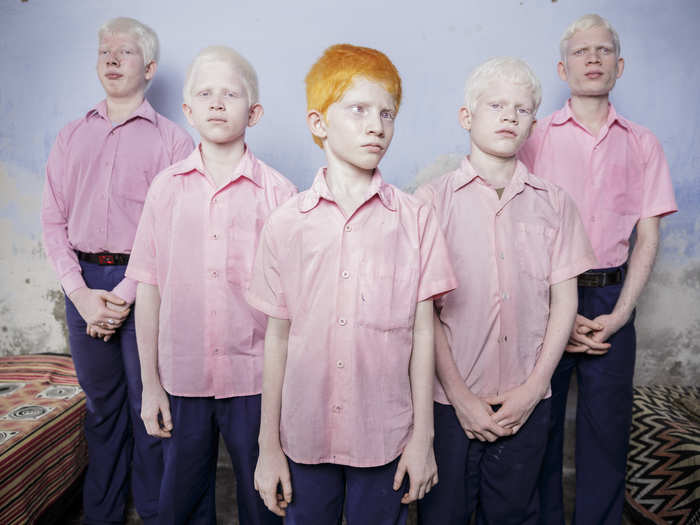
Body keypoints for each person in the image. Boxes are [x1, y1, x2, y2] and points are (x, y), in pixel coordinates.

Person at [247, 43, 457, 525]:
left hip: (384, 434)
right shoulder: (286, 223)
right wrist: (268, 446)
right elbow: (276, 338)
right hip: (304, 434)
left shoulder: (416, 219)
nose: (376, 125)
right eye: (358, 109)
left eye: (387, 113)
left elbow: (423, 333)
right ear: (319, 123)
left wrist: (422, 439)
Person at [416, 57, 596, 524]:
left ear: (533, 125)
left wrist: (535, 388)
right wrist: (459, 396)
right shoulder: (430, 203)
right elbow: (425, 314)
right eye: (496, 104)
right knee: (444, 514)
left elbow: (565, 303)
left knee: (515, 512)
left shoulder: (555, 204)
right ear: (466, 116)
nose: (509, 116)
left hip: (527, 400)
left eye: (521, 109)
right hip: (451, 402)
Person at [518, 14, 678, 525]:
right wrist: (554, 313)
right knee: (538, 432)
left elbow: (647, 238)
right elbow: (516, 231)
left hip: (613, 301)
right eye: (582, 52)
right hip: (546, 300)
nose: (593, 59)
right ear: (563, 68)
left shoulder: (643, 143)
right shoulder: (535, 137)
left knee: (606, 435)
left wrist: (620, 315)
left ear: (619, 65)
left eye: (603, 51)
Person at [126, 45, 296, 524]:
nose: (218, 103)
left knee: (265, 501)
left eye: (231, 94)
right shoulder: (166, 189)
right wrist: (151, 386)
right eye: (206, 93)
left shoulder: (281, 194)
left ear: (254, 111)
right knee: (180, 504)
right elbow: (149, 289)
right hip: (183, 378)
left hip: (257, 381)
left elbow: (292, 306)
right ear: (188, 111)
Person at [41, 16, 193, 524]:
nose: (111, 58)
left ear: (148, 68)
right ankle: (101, 515)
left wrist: (127, 293)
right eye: (105, 50)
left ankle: (153, 513)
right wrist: (81, 295)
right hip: (82, 285)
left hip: (147, 285)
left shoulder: (174, 143)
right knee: (102, 412)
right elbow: (52, 221)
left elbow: (175, 229)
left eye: (124, 51)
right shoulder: (69, 137)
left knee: (150, 411)